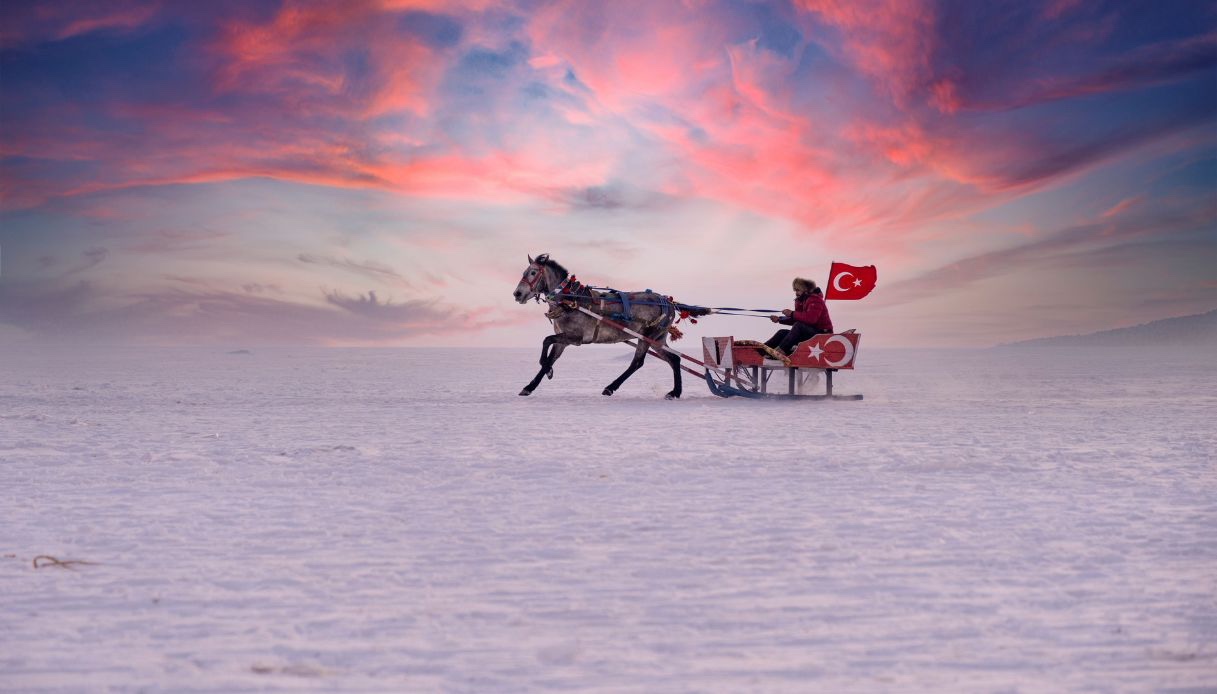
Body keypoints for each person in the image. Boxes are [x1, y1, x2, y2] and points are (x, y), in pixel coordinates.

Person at [765, 277, 833, 355]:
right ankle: (761, 350)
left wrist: (792, 313)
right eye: (795, 290)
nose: (796, 293)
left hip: (822, 334)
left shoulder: (815, 300)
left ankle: (780, 351)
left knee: (798, 326)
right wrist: (779, 319)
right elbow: (797, 318)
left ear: (805, 289)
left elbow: (811, 319)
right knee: (782, 332)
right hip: (810, 332)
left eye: (798, 290)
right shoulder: (802, 301)